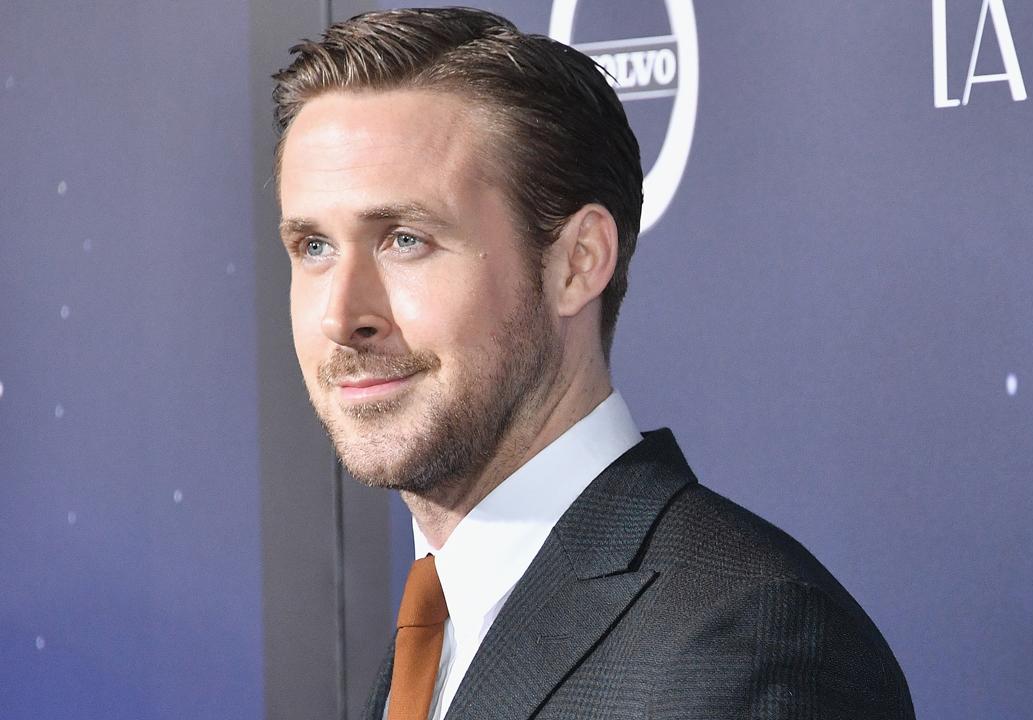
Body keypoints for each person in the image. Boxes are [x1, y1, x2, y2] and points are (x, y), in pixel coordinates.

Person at [272, 8, 914, 720]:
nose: (341, 316)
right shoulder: (437, 630)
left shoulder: (747, 644)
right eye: (314, 248)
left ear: (577, 263)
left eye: (405, 239)